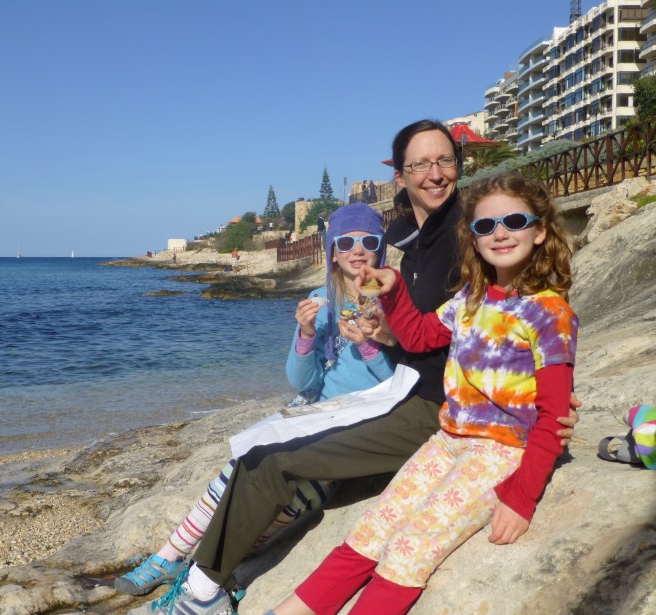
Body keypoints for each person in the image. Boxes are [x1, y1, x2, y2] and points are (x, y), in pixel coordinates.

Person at [130, 120, 580, 615]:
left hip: (432, 410)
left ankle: (201, 590)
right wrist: (384, 309)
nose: (434, 174)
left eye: (444, 161)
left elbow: (523, 349)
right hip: (412, 399)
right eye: (420, 165)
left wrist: (538, 422)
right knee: (261, 450)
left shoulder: (467, 236)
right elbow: (429, 331)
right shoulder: (415, 238)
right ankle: (191, 570)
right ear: (400, 175)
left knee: (273, 461)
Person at [271, 172, 577, 615]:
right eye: (485, 226)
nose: (500, 233)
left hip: (500, 451)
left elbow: (553, 414)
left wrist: (521, 499)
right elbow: (418, 336)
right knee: (371, 529)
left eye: (514, 220)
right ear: (473, 239)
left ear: (541, 229)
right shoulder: (470, 298)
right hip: (447, 439)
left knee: (411, 547)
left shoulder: (550, 313)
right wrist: (393, 289)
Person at [118, 202, 397, 598]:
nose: (357, 250)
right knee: (241, 465)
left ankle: (209, 570)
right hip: (314, 410)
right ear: (333, 250)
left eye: (368, 241)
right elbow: (302, 380)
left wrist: (370, 346)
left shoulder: (393, 301)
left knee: (296, 499)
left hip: (361, 422)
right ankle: (169, 555)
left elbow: (396, 383)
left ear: (380, 250)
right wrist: (303, 335)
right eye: (346, 241)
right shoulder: (321, 299)